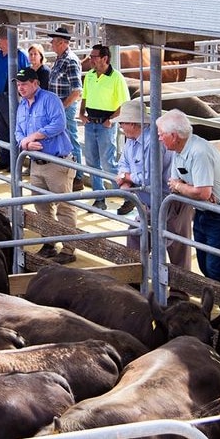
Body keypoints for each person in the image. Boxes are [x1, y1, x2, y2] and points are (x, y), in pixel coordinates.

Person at [159, 109, 220, 290]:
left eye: (161, 134)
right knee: (205, 264)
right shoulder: (178, 150)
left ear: (174, 136)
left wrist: (185, 188)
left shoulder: (199, 152)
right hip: (204, 210)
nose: (159, 138)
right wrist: (192, 189)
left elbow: (200, 192)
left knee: (217, 266)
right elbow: (174, 183)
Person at [116, 100, 193, 270]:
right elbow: (123, 163)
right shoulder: (131, 139)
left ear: (134, 123)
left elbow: (149, 178)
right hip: (151, 201)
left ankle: (178, 292)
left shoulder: (153, 142)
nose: (120, 125)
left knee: (176, 246)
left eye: (122, 122)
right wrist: (126, 176)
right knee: (137, 234)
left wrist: (126, 177)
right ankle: (136, 277)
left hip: (171, 200)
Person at [14, 68, 76, 265]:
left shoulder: (50, 99)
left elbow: (59, 123)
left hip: (56, 161)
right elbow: (17, 132)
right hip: (36, 162)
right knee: (42, 205)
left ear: (35, 83)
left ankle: (69, 248)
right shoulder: (22, 105)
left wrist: (35, 136)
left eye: (24, 83)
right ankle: (49, 242)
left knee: (64, 206)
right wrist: (25, 143)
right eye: (18, 84)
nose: (20, 87)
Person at [79, 44, 129, 209]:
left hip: (105, 124)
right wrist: (81, 113)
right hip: (90, 122)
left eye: (94, 56)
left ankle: (127, 196)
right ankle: (99, 197)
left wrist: (111, 120)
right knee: (92, 161)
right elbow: (84, 97)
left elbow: (124, 103)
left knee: (108, 163)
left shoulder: (117, 78)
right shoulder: (90, 76)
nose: (91, 59)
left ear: (104, 59)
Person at [0, 25, 30, 172]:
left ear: (9, 39)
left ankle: (15, 162)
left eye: (1, 39)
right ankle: (4, 159)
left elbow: (26, 76)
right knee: (1, 130)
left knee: (13, 130)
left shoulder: (20, 55)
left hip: (9, 97)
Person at [48, 27, 84, 192]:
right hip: (59, 106)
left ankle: (77, 176)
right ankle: (67, 171)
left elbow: (77, 90)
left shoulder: (70, 60)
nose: (51, 44)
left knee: (70, 137)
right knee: (65, 137)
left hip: (65, 107)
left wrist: (62, 107)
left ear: (62, 42)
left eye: (54, 41)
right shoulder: (61, 59)